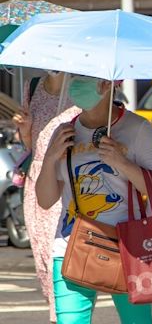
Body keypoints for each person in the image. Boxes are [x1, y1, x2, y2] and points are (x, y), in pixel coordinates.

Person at [35, 76, 152, 324]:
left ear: (107, 84)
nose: (75, 84)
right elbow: (45, 200)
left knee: (137, 322)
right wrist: (50, 158)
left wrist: (122, 163)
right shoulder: (63, 131)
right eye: (73, 77)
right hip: (71, 243)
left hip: (129, 245)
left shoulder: (138, 128)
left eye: (83, 78)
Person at [12, 71, 78, 324]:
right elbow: (31, 146)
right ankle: (58, 314)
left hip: (65, 177)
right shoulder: (33, 86)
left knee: (60, 252)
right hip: (36, 176)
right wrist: (26, 129)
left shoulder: (81, 89)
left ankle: (63, 316)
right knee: (41, 252)